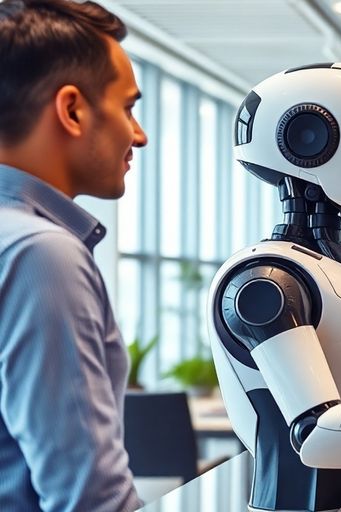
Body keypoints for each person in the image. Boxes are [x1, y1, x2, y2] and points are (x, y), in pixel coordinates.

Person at [0, 1, 147, 511]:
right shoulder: (41, 255)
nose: (139, 135)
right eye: (128, 108)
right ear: (73, 110)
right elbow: (90, 497)